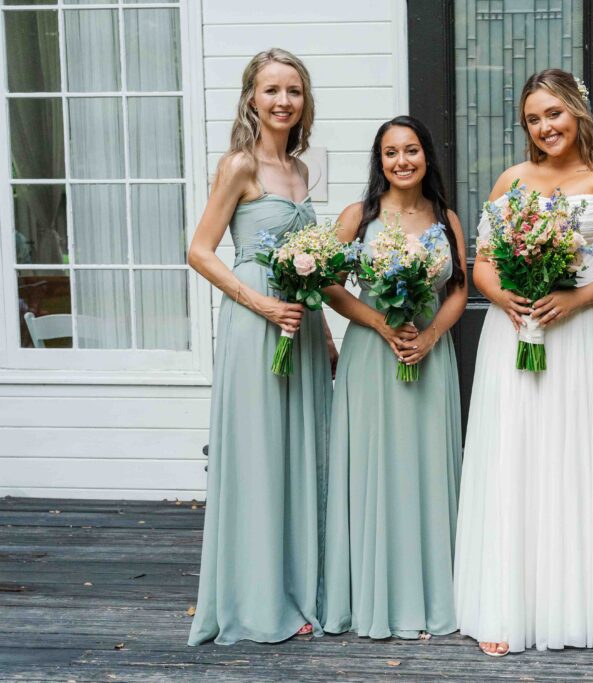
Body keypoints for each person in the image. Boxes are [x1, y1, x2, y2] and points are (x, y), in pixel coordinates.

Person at [454, 68, 593, 656]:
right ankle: (507, 607)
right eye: (534, 120)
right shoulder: (513, 179)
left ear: (578, 110)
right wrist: (500, 294)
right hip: (516, 333)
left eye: (554, 114)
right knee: (518, 457)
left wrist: (578, 297)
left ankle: (583, 604)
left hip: (587, 334)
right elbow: (481, 260)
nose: (545, 128)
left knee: (581, 458)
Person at [186, 48, 333, 646]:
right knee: (258, 457)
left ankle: (297, 588)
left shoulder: (301, 170)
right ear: (252, 97)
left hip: (302, 327)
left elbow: (315, 266)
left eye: (293, 91)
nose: (282, 101)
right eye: (271, 90)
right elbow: (199, 249)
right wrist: (262, 303)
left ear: (305, 101)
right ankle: (255, 599)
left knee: (299, 456)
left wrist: (323, 333)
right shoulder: (238, 165)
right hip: (257, 325)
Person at [321, 116, 467, 639]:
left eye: (411, 150)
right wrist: (383, 325)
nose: (401, 161)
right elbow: (330, 287)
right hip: (373, 356)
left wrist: (427, 339)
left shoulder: (445, 218)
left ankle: (432, 595)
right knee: (376, 468)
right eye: (390, 152)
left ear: (426, 156)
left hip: (429, 356)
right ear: (379, 161)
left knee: (426, 467)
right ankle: (372, 596)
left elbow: (457, 291)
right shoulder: (358, 217)